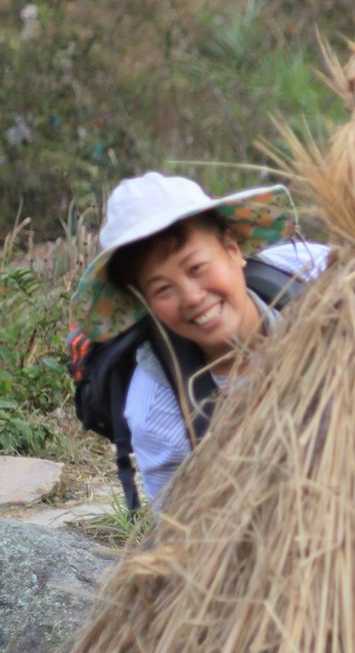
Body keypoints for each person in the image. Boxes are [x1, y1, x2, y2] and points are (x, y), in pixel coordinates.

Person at [71, 173, 328, 506]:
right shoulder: (157, 408)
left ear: (233, 248)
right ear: (145, 306)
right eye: (162, 289)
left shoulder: (310, 271)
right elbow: (181, 531)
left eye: (197, 267)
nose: (191, 297)